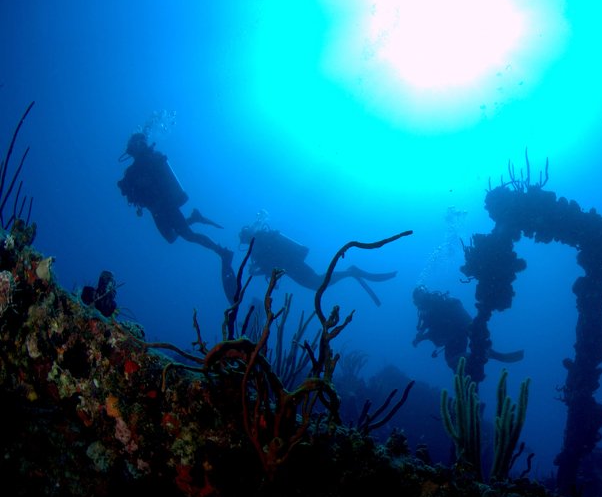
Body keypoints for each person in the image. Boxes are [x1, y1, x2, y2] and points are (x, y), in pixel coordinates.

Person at [117, 132, 236, 301]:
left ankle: (222, 252)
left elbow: (151, 179)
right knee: (172, 238)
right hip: (155, 210)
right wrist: (125, 187)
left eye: (138, 144)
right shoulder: (132, 170)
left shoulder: (149, 160)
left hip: (167, 206)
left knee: (188, 235)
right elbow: (131, 192)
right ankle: (194, 218)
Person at [238, 222, 398, 306]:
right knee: (317, 283)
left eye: (244, 239)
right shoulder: (260, 242)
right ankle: (350, 272)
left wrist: (255, 270)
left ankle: (350, 272)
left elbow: (268, 266)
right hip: (291, 265)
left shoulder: (258, 244)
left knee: (317, 283)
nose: (245, 242)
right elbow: (270, 265)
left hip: (291, 264)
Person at [411, 285, 524, 372]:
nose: (418, 306)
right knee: (457, 359)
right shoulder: (429, 309)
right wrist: (420, 337)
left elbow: (434, 329)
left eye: (417, 303)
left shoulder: (431, 308)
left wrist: (421, 338)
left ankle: (480, 354)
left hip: (456, 332)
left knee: (452, 360)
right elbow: (427, 327)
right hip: (458, 332)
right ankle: (483, 354)